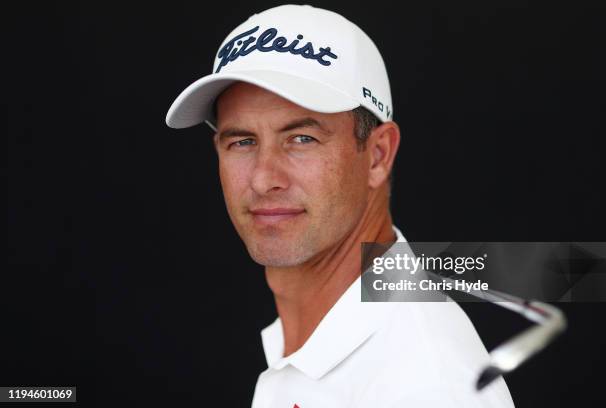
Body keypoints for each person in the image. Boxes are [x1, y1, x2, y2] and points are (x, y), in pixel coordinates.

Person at [166, 4, 514, 407]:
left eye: (301, 139)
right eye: (242, 141)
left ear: (378, 155)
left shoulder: (426, 384)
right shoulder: (322, 346)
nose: (263, 178)